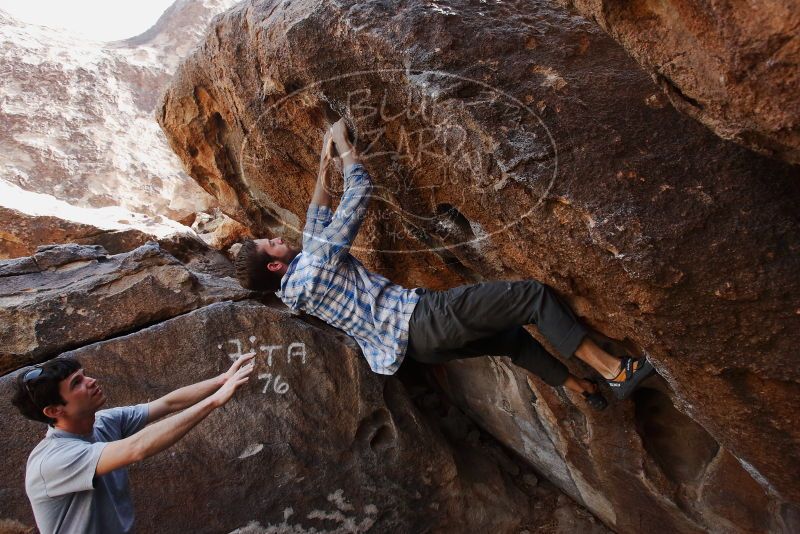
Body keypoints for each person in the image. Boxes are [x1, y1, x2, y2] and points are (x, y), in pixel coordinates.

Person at [235, 119, 654, 409]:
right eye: (271, 243)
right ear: (274, 266)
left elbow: (315, 217)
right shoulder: (314, 265)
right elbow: (359, 193)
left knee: (512, 341)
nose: (279, 238)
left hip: (419, 348)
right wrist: (345, 148)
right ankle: (616, 371)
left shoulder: (299, 286)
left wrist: (325, 158)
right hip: (422, 320)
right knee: (530, 295)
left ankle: (583, 389)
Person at [11, 353, 255, 534]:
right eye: (77, 383)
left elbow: (167, 404)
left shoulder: (103, 423)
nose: (91, 381)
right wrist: (214, 402)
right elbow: (136, 448)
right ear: (54, 410)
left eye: (83, 375)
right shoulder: (53, 460)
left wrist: (221, 380)